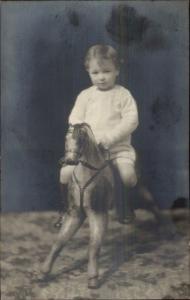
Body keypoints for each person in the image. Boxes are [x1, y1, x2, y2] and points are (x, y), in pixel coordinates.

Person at [55, 44, 139, 228]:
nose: (101, 77)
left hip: (117, 149)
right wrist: (84, 137)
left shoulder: (123, 95)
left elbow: (131, 121)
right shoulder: (85, 96)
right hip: (90, 152)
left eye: (106, 71)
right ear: (88, 72)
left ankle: (125, 205)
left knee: (128, 175)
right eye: (95, 72)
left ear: (117, 70)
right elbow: (75, 118)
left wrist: (108, 139)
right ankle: (66, 208)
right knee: (65, 172)